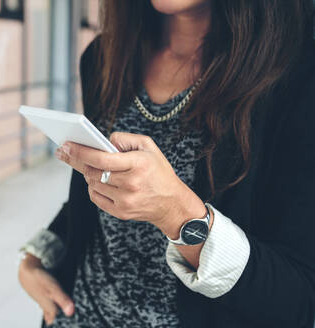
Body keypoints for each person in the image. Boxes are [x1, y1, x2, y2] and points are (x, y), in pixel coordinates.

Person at [18, 0, 315, 327]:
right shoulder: (105, 55)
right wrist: (36, 257)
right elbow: (91, 198)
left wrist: (177, 213)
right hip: (77, 313)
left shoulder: (297, 75)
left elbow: (300, 300)